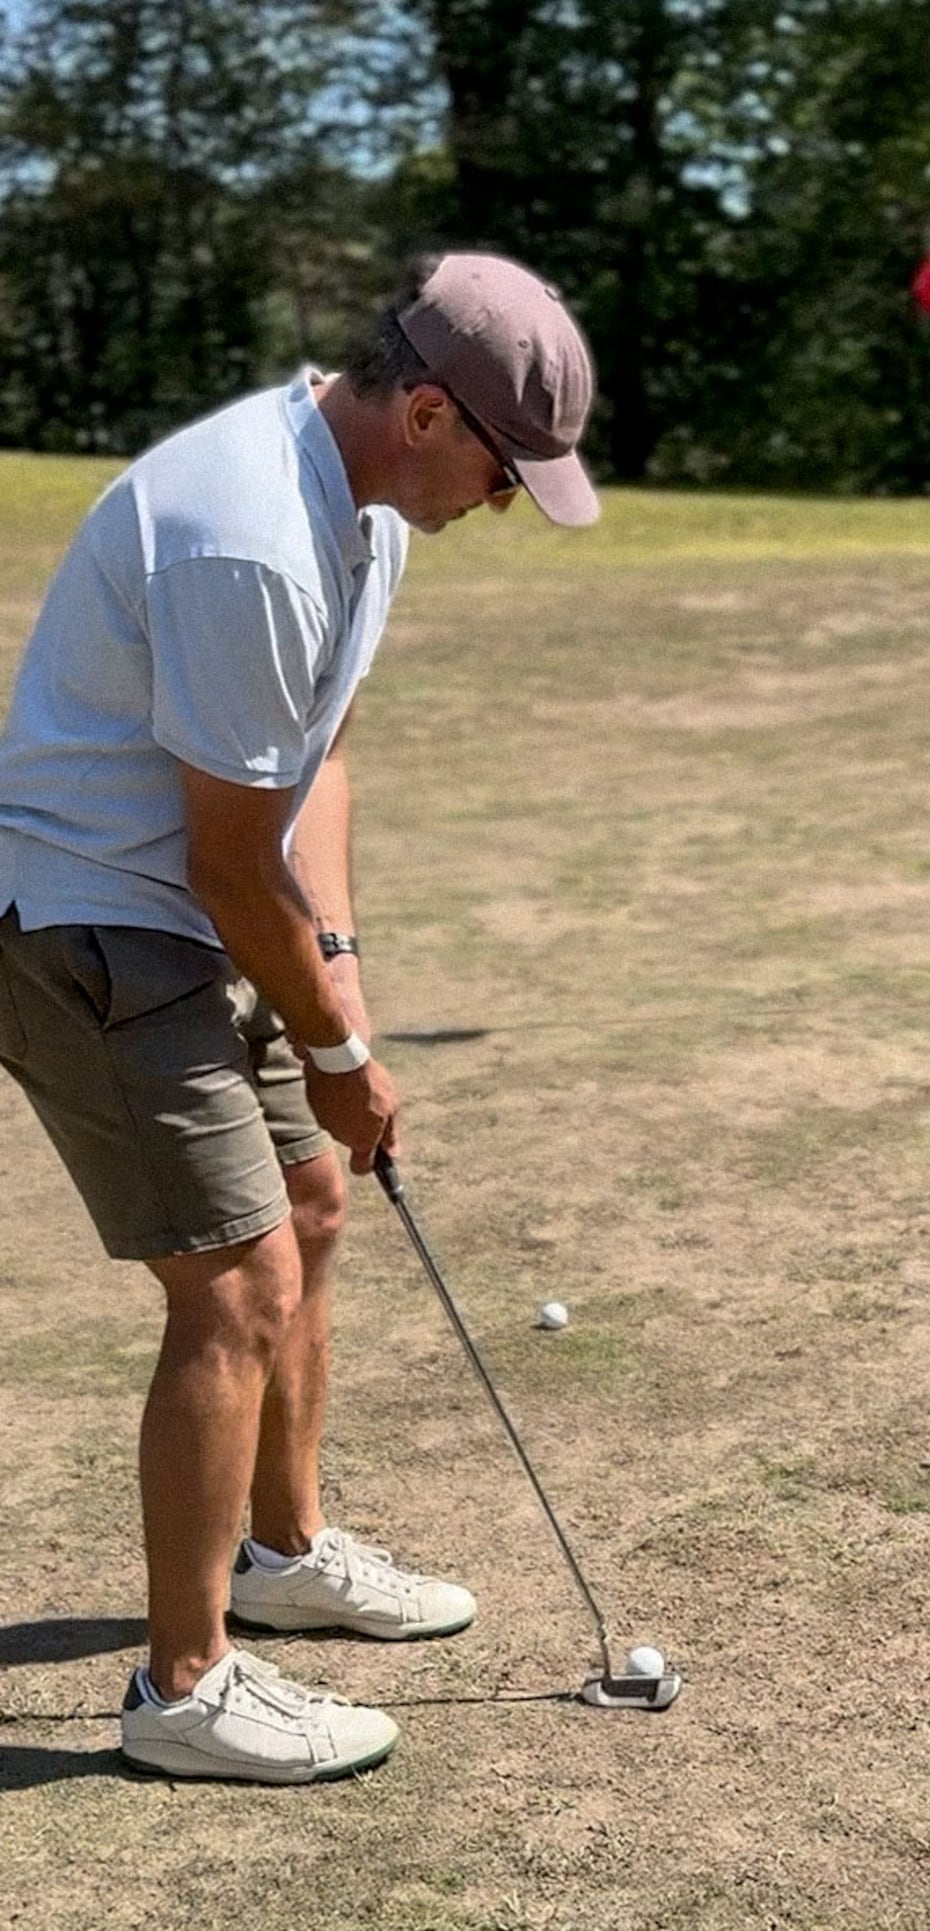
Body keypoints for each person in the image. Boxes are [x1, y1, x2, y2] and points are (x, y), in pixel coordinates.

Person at [0, 252, 600, 1784]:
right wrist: (338, 1051)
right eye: (506, 469)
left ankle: (285, 1554)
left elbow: (309, 772)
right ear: (420, 410)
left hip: (207, 913)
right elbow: (218, 849)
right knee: (238, 1289)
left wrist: (336, 980)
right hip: (88, 922)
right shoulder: (249, 539)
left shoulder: (371, 515)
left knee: (316, 1204)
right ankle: (186, 1691)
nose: (508, 501)